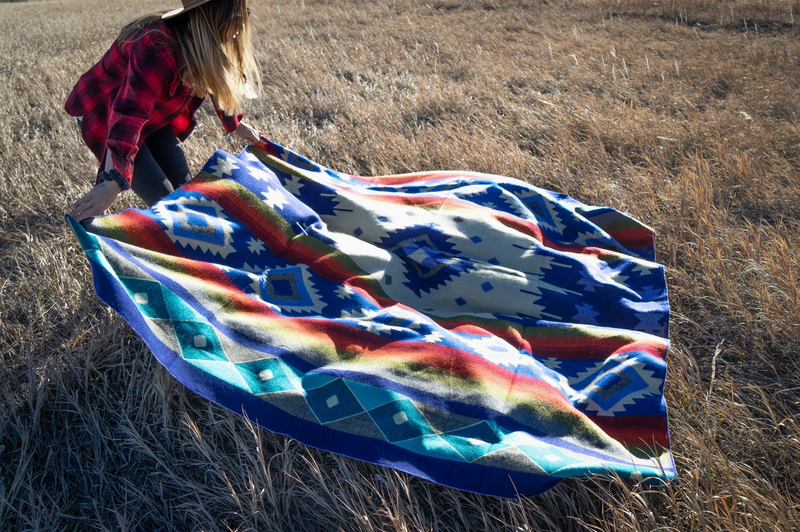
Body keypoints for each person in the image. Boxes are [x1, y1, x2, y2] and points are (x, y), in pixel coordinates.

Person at [66, 0, 262, 221]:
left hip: (150, 115)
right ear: (211, 18)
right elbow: (129, 113)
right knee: (166, 202)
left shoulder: (202, 41)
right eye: (237, 16)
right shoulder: (156, 46)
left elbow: (215, 79)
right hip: (107, 113)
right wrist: (113, 179)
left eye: (245, 11)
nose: (242, 23)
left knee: (184, 189)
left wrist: (235, 124)